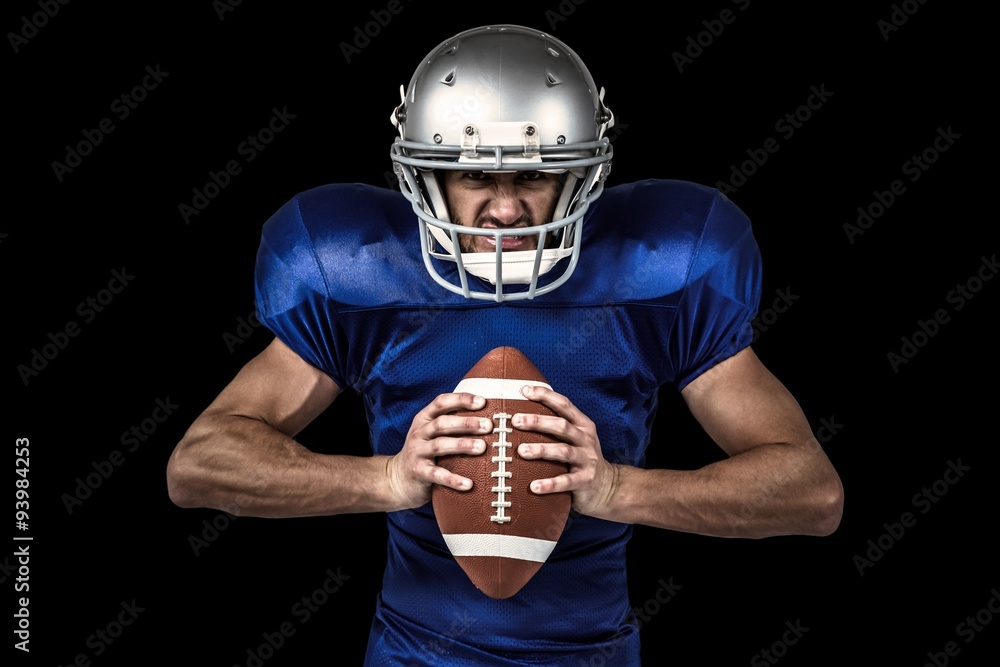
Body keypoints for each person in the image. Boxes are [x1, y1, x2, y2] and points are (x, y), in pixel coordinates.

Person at [166, 24, 844, 666]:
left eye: (533, 175)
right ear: (423, 177)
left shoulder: (661, 265)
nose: (506, 208)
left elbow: (812, 493)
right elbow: (199, 464)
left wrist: (616, 486)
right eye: (475, 177)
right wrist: (385, 479)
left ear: (583, 174)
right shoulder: (359, 267)